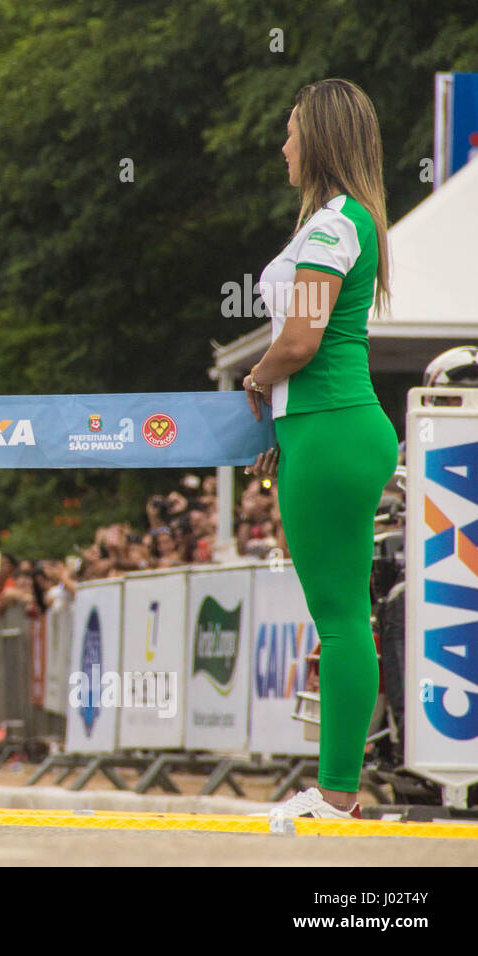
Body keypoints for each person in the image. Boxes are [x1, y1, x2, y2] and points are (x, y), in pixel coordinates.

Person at [242, 78, 398, 820]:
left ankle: (336, 792)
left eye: (292, 129)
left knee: (340, 621)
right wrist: (279, 413)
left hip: (332, 425)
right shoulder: (346, 222)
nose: (284, 143)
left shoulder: (337, 224)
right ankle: (336, 786)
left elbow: (300, 339)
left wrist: (256, 378)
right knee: (341, 618)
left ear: (324, 138)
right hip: (326, 427)